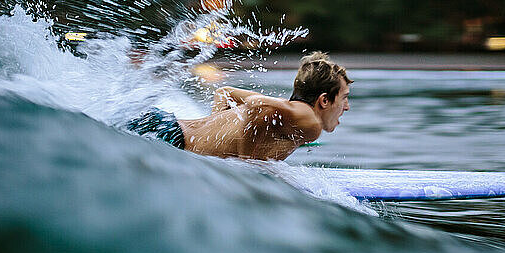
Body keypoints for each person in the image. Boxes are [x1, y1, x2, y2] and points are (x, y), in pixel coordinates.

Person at [127, 51, 352, 160]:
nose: (347, 107)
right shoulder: (311, 123)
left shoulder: (288, 111)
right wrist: (245, 166)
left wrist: (213, 131)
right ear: (324, 100)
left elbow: (224, 94)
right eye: (344, 98)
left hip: (165, 128)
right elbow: (256, 107)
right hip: (169, 139)